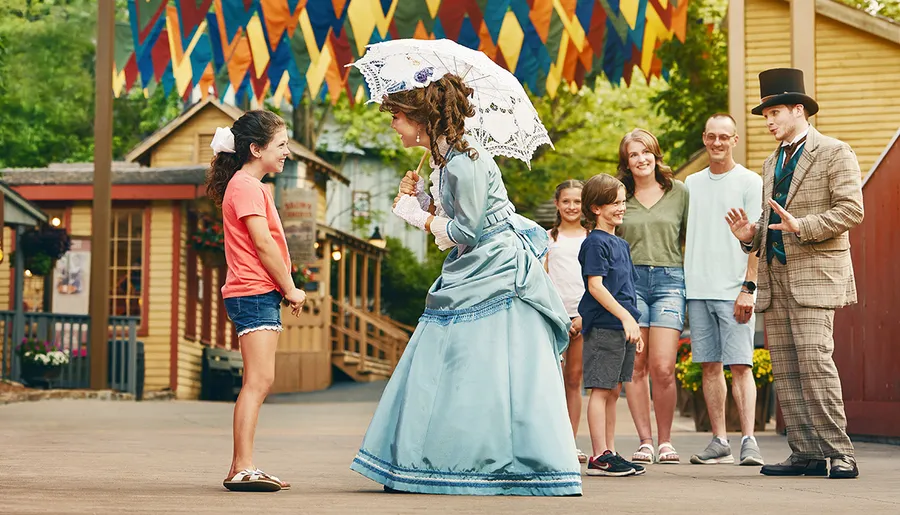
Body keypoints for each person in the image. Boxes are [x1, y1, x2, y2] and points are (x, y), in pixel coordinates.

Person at [349, 73, 582, 496]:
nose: (392, 125)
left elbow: (468, 230)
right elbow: (455, 224)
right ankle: (439, 458)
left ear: (419, 120)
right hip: (468, 267)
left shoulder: (464, 160)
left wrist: (417, 215)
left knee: (488, 368)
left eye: (396, 117)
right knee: (454, 365)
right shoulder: (444, 160)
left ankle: (498, 463)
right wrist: (421, 200)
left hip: (496, 269)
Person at [726, 68, 863, 479]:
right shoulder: (772, 162)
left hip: (815, 277)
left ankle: (840, 453)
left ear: (799, 110)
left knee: (816, 364)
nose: (768, 122)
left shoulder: (836, 152)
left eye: (774, 113)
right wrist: (749, 236)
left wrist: (802, 225)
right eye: (765, 115)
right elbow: (773, 226)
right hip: (775, 276)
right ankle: (805, 452)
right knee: (786, 366)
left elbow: (851, 210)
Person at [206, 110, 307, 492]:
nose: (286, 152)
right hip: (253, 290)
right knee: (258, 380)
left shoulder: (251, 186)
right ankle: (241, 467)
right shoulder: (247, 186)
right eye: (280, 145)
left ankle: (241, 465)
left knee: (260, 380)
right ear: (255, 148)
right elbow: (263, 244)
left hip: (256, 291)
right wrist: (291, 287)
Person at [685, 114, 765, 466]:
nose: (717, 143)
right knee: (709, 366)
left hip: (735, 289)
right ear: (704, 138)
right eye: (711, 137)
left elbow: (758, 239)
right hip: (697, 288)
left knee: (741, 365)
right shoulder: (690, 183)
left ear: (735, 140)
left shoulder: (750, 181)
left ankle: (749, 440)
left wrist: (749, 287)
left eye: (724, 137)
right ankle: (719, 441)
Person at [616, 129, 689, 465]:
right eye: (633, 155)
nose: (641, 159)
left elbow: (689, 239)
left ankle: (665, 441)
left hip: (669, 281)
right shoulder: (619, 196)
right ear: (626, 162)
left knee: (663, 367)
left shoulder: (679, 193)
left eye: (646, 152)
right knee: (636, 366)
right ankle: (645, 441)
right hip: (630, 284)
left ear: (656, 155)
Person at [578, 173, 646, 477]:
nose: (621, 207)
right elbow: (596, 286)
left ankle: (610, 451)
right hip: (605, 326)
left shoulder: (620, 243)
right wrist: (624, 317)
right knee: (601, 389)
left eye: (622, 202)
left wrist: (634, 323)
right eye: (614, 203)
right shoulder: (595, 243)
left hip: (622, 327)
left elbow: (626, 287)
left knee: (613, 388)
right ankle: (598, 456)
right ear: (595, 207)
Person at [545, 179, 589, 463]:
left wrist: (582, 317)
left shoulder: (592, 236)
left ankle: (570, 442)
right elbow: (543, 276)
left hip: (583, 317)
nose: (572, 207)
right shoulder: (548, 238)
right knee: (551, 381)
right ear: (557, 204)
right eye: (566, 201)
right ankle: (552, 440)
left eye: (577, 201)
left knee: (574, 380)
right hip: (554, 316)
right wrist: (557, 315)